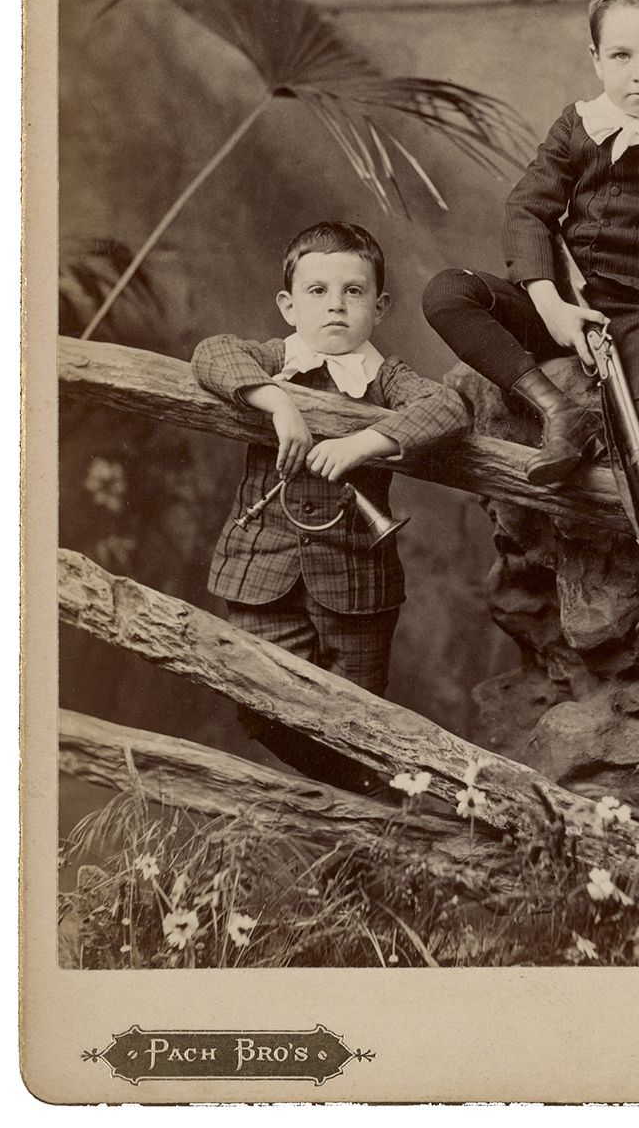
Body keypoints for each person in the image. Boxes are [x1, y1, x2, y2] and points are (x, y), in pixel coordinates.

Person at [422, 0, 639, 650]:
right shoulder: (579, 126)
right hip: (568, 301)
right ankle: (558, 409)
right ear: (596, 59)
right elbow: (527, 208)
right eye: (621, 56)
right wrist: (548, 305)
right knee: (449, 292)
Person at [193, 221, 469, 780]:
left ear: (380, 306)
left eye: (354, 291)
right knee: (263, 704)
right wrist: (277, 403)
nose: (336, 306)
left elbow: (449, 408)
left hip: (357, 584)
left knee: (358, 721)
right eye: (317, 292)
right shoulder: (273, 361)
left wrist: (363, 444)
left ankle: (360, 800)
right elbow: (210, 352)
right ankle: (360, 794)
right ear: (288, 305)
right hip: (261, 574)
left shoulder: (385, 378)